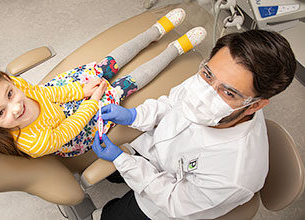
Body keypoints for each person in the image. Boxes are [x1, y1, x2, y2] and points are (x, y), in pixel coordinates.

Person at [0, 8, 206, 158]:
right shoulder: (32, 143)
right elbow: (70, 128)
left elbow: (49, 93)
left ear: (10, 81)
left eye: (10, 94)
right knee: (124, 85)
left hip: (64, 102)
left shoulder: (19, 87)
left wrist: (81, 89)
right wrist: (92, 101)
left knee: (106, 65)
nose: (16, 106)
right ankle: (175, 49)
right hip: (76, 128)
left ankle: (155, 31)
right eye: (1, 113)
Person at [91, 29, 296, 220]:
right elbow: (171, 103)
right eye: (208, 75)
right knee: (114, 173)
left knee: (112, 215)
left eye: (228, 92)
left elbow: (172, 199)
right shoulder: (211, 78)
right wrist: (135, 115)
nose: (203, 96)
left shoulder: (233, 175)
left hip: (166, 201)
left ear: (255, 105)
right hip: (156, 151)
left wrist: (123, 161)